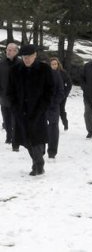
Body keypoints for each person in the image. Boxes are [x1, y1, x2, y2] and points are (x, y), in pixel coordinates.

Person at [7, 45, 54, 176]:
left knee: (37, 138)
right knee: (27, 140)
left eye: (28, 57)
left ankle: (38, 166)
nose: (26, 60)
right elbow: (10, 92)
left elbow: (49, 90)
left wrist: (43, 107)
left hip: (38, 110)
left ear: (35, 56)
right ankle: (38, 162)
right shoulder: (15, 70)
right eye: (24, 57)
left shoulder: (44, 69)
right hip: (21, 111)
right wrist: (15, 108)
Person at [0, 43, 20, 151]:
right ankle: (9, 137)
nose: (8, 51)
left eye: (11, 50)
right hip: (4, 98)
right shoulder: (1, 63)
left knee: (15, 121)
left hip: (16, 99)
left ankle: (16, 143)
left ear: (16, 52)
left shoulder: (21, 63)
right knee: (6, 120)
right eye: (7, 49)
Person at [47, 58, 65, 158]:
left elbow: (61, 91)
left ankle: (52, 152)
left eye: (55, 64)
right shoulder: (41, 75)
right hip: (42, 107)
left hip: (54, 106)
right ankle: (39, 151)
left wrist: (55, 102)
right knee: (40, 128)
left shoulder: (58, 75)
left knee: (53, 128)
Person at [50, 57, 72, 130]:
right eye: (52, 64)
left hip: (61, 96)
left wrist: (65, 94)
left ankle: (65, 123)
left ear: (58, 64)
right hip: (51, 96)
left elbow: (69, 84)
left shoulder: (63, 73)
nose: (54, 66)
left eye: (55, 64)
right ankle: (53, 125)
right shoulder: (48, 73)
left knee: (61, 110)